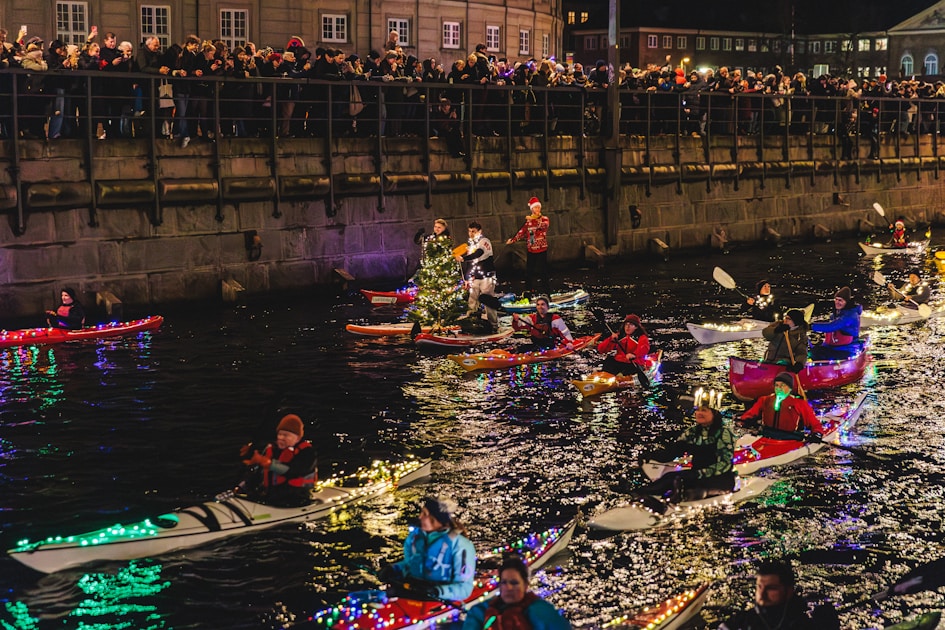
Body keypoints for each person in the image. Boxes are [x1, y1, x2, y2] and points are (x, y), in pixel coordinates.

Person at [633, 397, 736, 512]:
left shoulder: (724, 434)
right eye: (698, 410)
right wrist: (650, 456)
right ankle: (638, 493)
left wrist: (699, 473)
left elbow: (725, 464)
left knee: (690, 488)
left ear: (715, 414)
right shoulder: (692, 432)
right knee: (670, 478)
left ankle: (674, 506)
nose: (699, 413)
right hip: (697, 476)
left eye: (704, 410)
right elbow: (672, 453)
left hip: (720, 480)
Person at [379, 496, 476, 601]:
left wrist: (437, 591)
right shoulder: (414, 538)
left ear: (436, 519)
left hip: (438, 597)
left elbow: (465, 588)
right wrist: (393, 569)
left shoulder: (461, 545)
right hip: (413, 590)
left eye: (425, 514)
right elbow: (410, 564)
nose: (420, 517)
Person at [718, 559, 839, 630]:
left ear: (789, 591)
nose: (762, 594)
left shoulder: (807, 622)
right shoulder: (742, 621)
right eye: (759, 587)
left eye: (771, 588)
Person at [462, 555, 571, 630]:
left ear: (525, 585)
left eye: (514, 583)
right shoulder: (479, 612)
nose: (508, 587)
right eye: (504, 582)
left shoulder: (542, 612)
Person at [241, 414, 317, 507]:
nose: (281, 438)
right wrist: (250, 453)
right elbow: (257, 467)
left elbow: (293, 470)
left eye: (286, 435)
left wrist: (269, 464)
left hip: (297, 498)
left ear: (297, 438)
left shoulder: (307, 452)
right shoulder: (273, 448)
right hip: (272, 496)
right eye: (279, 434)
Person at [738, 372, 825, 437]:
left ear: (790, 388)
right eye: (776, 385)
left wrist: (817, 433)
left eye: (782, 385)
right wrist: (744, 421)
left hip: (790, 438)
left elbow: (814, 423)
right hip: (766, 435)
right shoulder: (764, 400)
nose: (779, 388)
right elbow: (749, 415)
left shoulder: (799, 403)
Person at [458, 221, 498, 332]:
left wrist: (463, 258)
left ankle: (493, 325)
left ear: (479, 231)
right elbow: (471, 263)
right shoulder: (471, 245)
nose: (471, 234)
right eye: (470, 231)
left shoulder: (484, 241)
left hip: (487, 276)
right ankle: (470, 323)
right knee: (472, 300)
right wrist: (467, 278)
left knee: (488, 301)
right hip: (475, 277)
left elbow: (478, 253)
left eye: (474, 231)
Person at [506, 197, 551, 296]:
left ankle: (547, 292)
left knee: (543, 271)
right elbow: (521, 232)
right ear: (532, 209)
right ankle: (529, 291)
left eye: (538, 208)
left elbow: (543, 226)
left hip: (542, 249)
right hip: (531, 250)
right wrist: (512, 240)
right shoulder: (528, 222)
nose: (537, 209)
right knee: (529, 271)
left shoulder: (544, 219)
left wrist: (534, 219)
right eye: (535, 208)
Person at [596, 314, 652, 387]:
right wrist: (610, 340)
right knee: (609, 360)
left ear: (636, 327)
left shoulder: (642, 337)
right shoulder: (619, 336)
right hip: (619, 361)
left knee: (628, 369)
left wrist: (634, 354)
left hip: (633, 363)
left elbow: (644, 348)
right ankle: (604, 377)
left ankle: (619, 378)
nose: (627, 327)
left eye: (631, 324)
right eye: (626, 324)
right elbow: (601, 349)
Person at [810, 286, 862, 359]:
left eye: (840, 300)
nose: (837, 302)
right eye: (836, 299)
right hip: (833, 347)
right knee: (813, 351)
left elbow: (833, 326)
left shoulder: (850, 316)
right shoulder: (835, 314)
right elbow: (828, 324)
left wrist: (811, 326)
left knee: (817, 353)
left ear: (846, 302)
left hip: (847, 350)